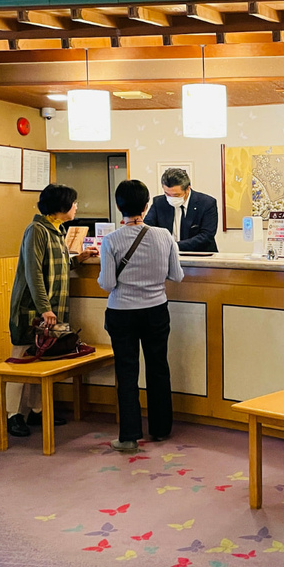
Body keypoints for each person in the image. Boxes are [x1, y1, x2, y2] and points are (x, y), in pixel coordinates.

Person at [98, 180, 184, 452]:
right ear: (147, 206)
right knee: (158, 367)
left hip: (122, 312)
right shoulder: (164, 236)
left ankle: (129, 436)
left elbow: (108, 283)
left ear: (118, 206)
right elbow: (177, 276)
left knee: (127, 372)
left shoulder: (111, 240)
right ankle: (160, 429)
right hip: (156, 310)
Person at [7, 184, 98, 437]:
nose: (76, 207)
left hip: (51, 310)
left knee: (41, 358)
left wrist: (78, 258)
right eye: (73, 203)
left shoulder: (56, 230)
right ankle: (12, 414)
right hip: (31, 310)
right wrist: (44, 308)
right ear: (61, 207)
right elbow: (34, 272)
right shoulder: (36, 230)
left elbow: (57, 263)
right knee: (21, 360)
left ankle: (36, 410)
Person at [143, 167, 218, 252]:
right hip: (166, 256)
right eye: (167, 194)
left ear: (188, 189)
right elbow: (147, 228)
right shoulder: (159, 202)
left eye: (176, 195)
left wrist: (174, 246)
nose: (171, 198)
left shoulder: (206, 203)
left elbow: (206, 236)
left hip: (199, 257)